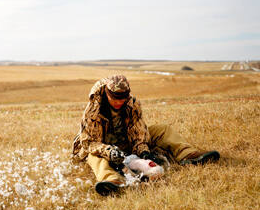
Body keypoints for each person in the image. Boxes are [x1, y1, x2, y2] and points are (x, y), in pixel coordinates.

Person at [72, 75, 220, 196]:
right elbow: (89, 143)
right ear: (107, 94)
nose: (118, 102)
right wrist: (109, 152)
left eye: (122, 99)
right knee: (93, 156)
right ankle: (113, 181)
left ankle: (188, 155)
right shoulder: (93, 110)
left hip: (126, 143)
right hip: (102, 146)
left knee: (162, 129)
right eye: (114, 99)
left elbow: (139, 131)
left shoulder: (132, 104)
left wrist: (143, 151)